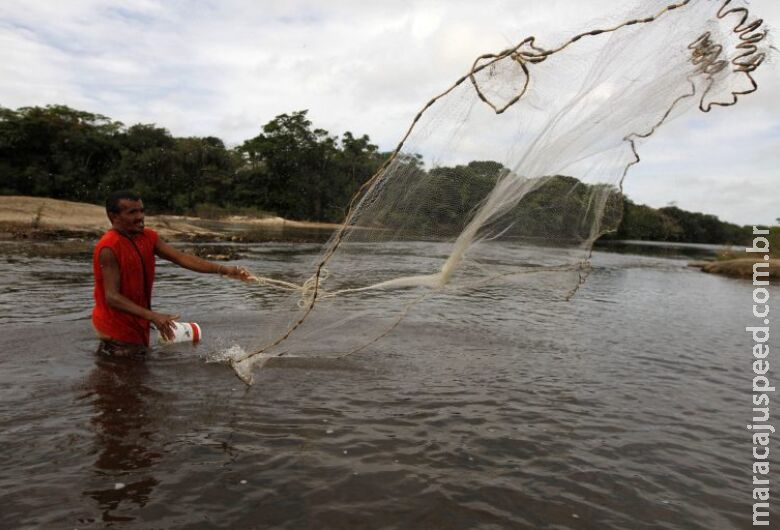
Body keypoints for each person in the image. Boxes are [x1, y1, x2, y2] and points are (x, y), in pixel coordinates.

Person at [92, 190, 251, 353]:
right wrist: (153, 316)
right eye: (132, 212)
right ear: (113, 217)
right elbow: (112, 297)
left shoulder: (148, 237)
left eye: (141, 210)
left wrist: (225, 270)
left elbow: (181, 258)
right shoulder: (109, 247)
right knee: (128, 373)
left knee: (138, 372)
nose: (140, 217)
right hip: (115, 330)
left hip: (138, 323)